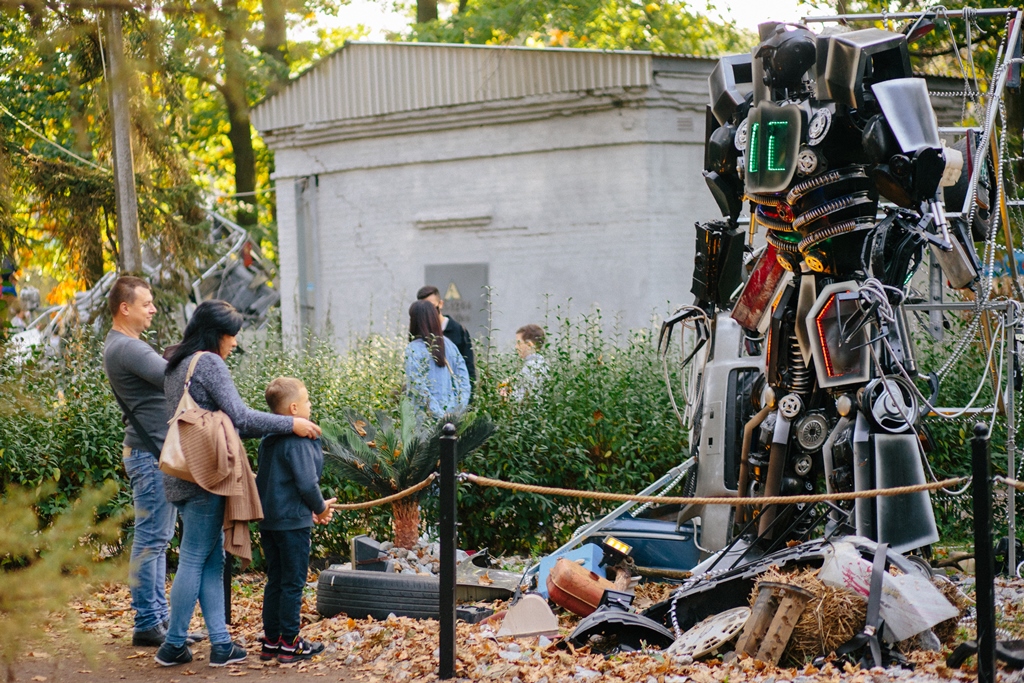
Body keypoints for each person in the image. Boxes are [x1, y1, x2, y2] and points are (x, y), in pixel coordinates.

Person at [155, 300, 322, 668]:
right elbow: (242, 419)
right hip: (206, 476)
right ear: (217, 334)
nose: (234, 343)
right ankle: (173, 644)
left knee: (211, 559)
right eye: (232, 336)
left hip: (181, 472)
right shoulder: (208, 363)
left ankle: (221, 644)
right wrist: (291, 424)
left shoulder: (176, 364)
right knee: (195, 557)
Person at [102, 276, 178, 647]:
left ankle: (158, 620)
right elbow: (173, 377)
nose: (153, 309)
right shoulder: (127, 347)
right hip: (149, 456)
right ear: (124, 308)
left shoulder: (124, 344)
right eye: (146, 303)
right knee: (151, 541)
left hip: (152, 454)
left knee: (156, 541)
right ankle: (148, 622)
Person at [256, 377, 336, 663]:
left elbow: (276, 482)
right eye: (307, 400)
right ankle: (290, 642)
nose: (310, 405)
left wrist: (310, 508)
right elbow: (306, 482)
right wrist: (320, 508)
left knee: (275, 581)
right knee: (292, 582)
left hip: (270, 521)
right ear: (293, 408)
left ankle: (271, 640)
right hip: (292, 523)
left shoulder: (268, 438)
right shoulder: (298, 440)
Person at [404, 299, 471, 420]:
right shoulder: (450, 345)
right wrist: (454, 413)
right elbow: (464, 382)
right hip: (453, 422)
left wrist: (439, 415)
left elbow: (417, 387)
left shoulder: (413, 349)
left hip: (425, 421)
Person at [416, 286, 476, 386]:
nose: (428, 312)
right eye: (424, 309)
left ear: (440, 304)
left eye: (431, 307)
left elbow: (469, 368)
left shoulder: (459, 331)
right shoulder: (420, 335)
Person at [510, 324, 548, 402]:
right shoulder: (543, 365)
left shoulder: (531, 367)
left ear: (529, 344)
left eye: (518, 343)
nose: (516, 347)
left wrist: (506, 395)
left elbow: (521, 401)